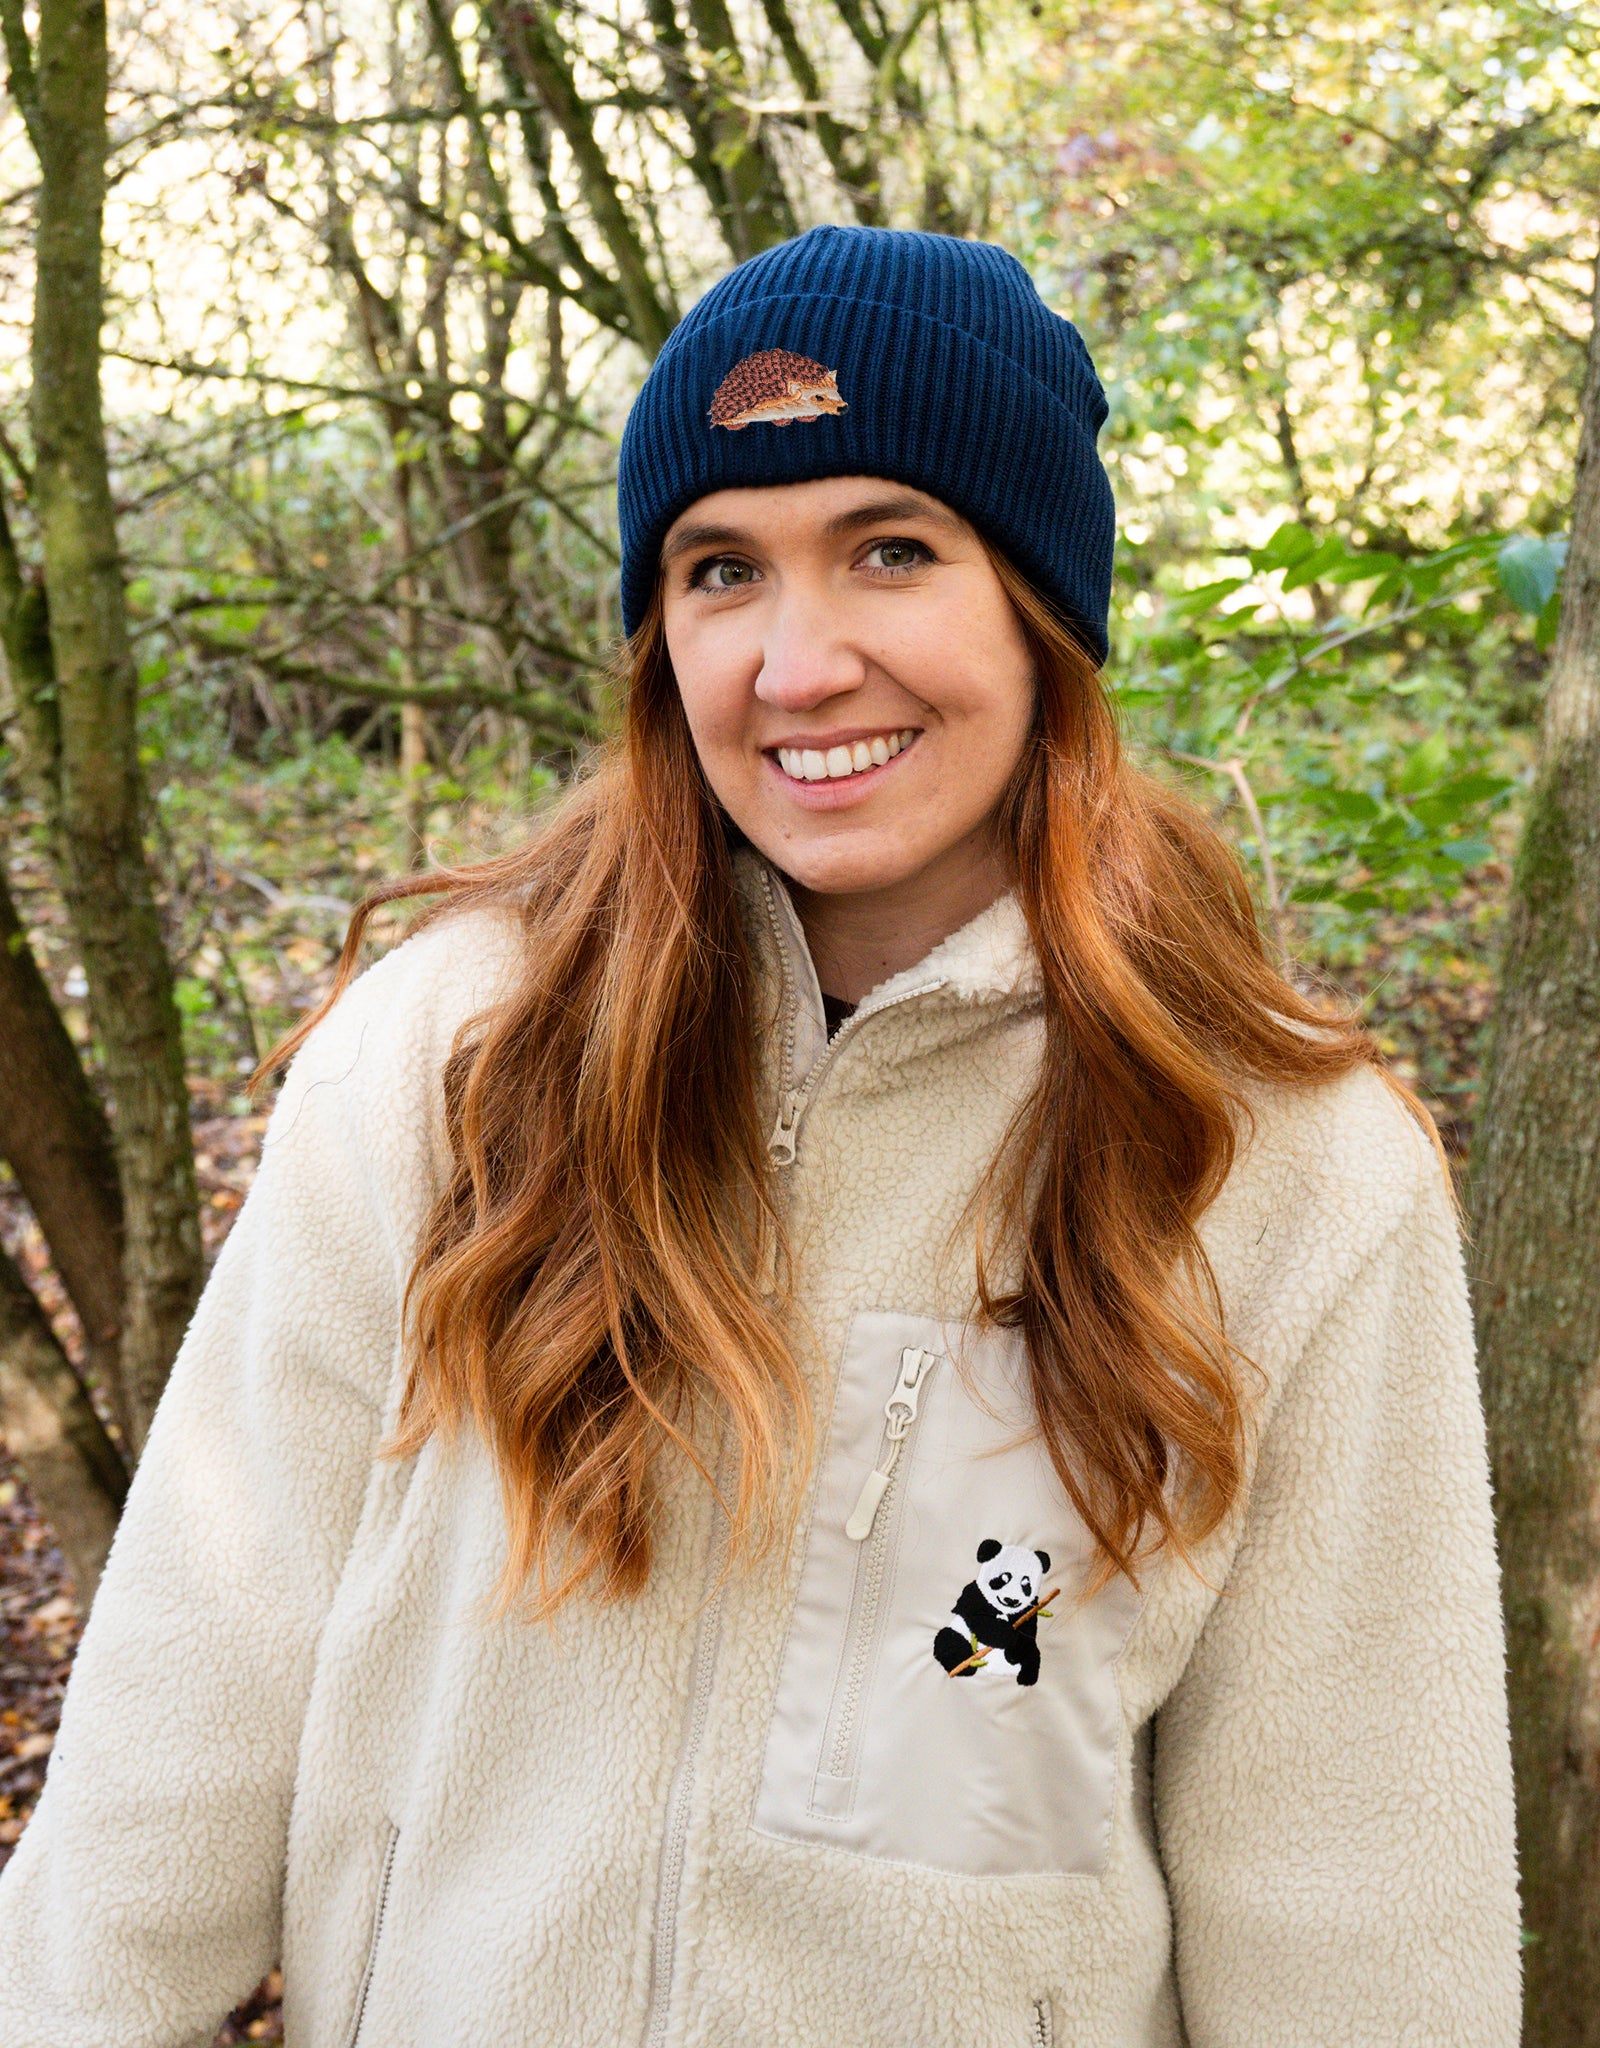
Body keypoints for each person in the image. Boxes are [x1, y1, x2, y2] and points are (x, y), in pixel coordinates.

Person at [0, 227, 1518, 2047]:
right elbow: (187, 1703)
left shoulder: (1277, 1163)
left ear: (1040, 605)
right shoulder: (449, 1061)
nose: (800, 664)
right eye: (723, 569)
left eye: (891, 548)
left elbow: (1359, 1885)